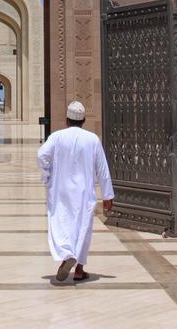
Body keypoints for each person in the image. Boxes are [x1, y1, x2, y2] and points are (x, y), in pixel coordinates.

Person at [38, 100, 114, 282]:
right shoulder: (92, 139)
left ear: (66, 120)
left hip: (61, 189)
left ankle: (66, 255)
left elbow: (41, 155)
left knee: (62, 223)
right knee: (83, 228)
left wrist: (47, 176)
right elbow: (102, 168)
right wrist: (108, 194)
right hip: (84, 191)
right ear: (84, 120)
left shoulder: (57, 137)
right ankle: (79, 269)